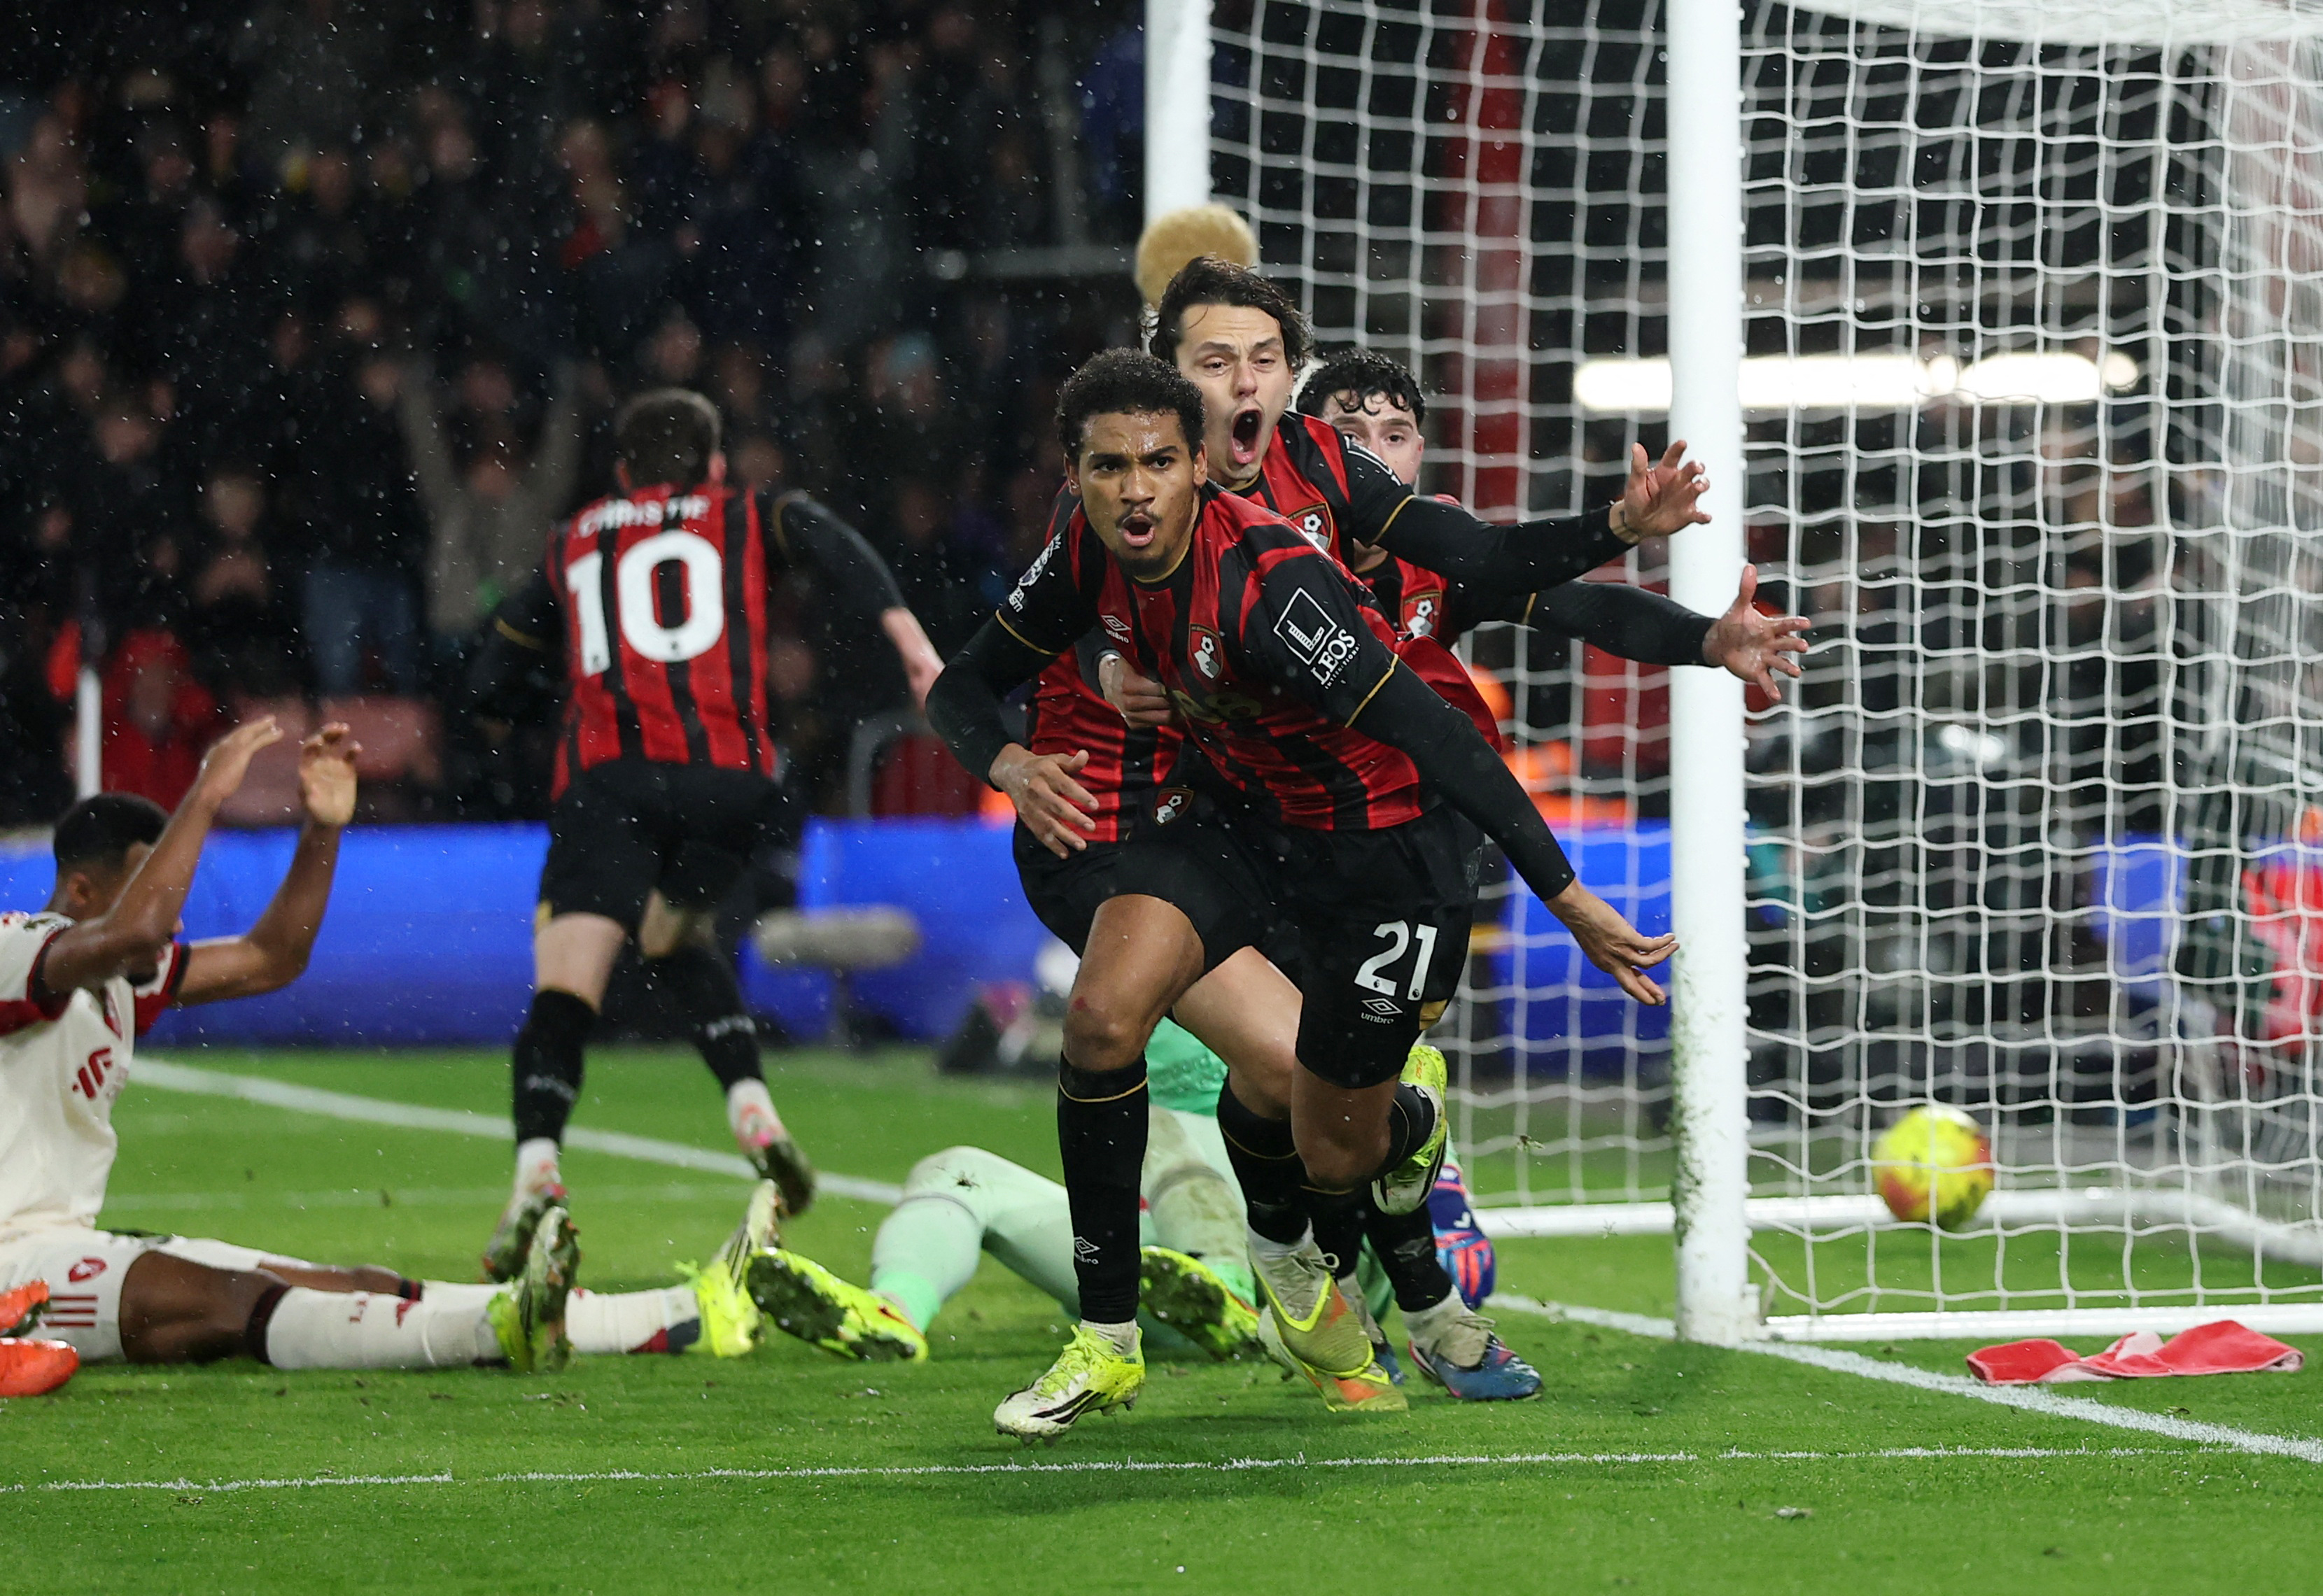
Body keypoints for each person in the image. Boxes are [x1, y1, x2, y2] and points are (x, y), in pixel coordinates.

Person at [928, 352, 1676, 1439]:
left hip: (1392, 862)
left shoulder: (1272, 587)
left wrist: (1562, 893)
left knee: (1335, 1140)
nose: (1133, 490)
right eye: (1107, 467)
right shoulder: (1087, 549)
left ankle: (1400, 1145)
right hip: (1245, 836)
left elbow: (1437, 736)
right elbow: (961, 685)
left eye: (1155, 465)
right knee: (1098, 1019)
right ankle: (1109, 1337)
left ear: (1197, 469)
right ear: (1074, 475)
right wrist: (1006, 764)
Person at [0, 722, 771, 1383]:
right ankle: (490, 1335)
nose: (169, 920)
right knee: (227, 1304)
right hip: (12, 1263)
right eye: (146, 883)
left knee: (343, 1282)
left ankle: (674, 1314)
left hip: (69, 1243)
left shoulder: (121, 978)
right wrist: (205, 795)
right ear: (81, 890)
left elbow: (272, 957)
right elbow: (136, 932)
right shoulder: (18, 947)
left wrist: (324, 827)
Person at [467, 387, 945, 1282]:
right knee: (669, 931)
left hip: (609, 779)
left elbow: (490, 684)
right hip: (735, 784)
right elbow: (838, 548)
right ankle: (753, 1106)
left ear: (621, 470)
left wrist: (547, 695)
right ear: (715, 462)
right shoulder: (750, 513)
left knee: (567, 984)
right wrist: (911, 643)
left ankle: (538, 1171)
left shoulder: (578, 538)